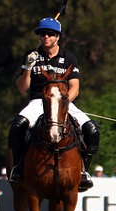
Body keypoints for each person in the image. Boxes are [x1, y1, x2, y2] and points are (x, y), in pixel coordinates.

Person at [7, 17, 100, 192]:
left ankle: (83, 172)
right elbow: (22, 88)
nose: (46, 37)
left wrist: (62, 104)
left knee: (92, 130)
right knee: (17, 125)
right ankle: (18, 168)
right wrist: (28, 68)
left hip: (64, 102)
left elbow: (75, 87)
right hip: (38, 102)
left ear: (57, 36)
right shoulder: (31, 55)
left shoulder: (69, 57)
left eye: (50, 34)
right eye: (42, 34)